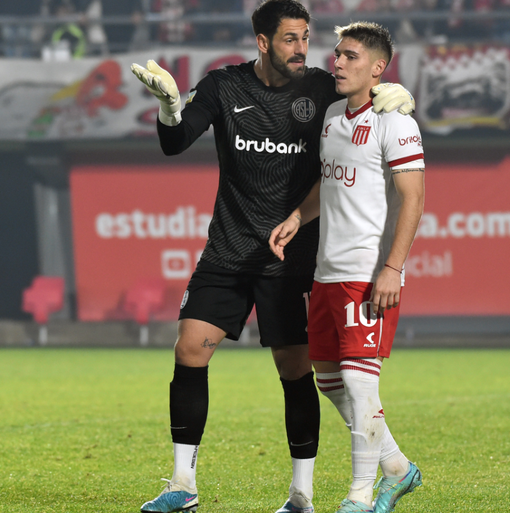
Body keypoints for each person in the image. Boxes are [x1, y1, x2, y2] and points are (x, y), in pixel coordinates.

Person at [129, 1, 415, 511]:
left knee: (296, 369)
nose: (303, 48)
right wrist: (170, 109)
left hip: (294, 256)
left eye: (306, 37)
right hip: (230, 246)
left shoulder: (324, 88)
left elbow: (367, 101)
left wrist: (397, 95)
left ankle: (301, 495)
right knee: (190, 349)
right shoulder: (224, 86)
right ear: (263, 43)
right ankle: (181, 484)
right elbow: (175, 142)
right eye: (290, 39)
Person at [269, 21, 424, 513]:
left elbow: (414, 199)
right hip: (326, 272)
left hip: (366, 270)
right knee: (331, 381)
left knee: (360, 382)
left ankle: (358, 496)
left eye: (351, 56)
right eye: (337, 54)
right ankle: (396, 468)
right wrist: (297, 215)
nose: (338, 62)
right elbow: (330, 182)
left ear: (378, 68)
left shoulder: (395, 120)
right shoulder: (334, 115)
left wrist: (392, 268)